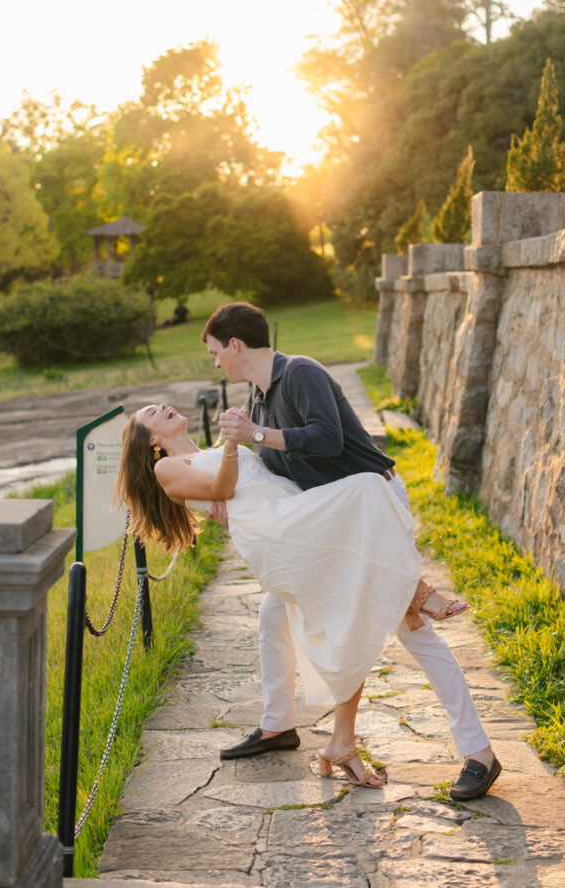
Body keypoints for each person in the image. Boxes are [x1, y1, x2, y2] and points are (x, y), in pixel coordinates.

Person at [201, 300, 501, 802]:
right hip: (340, 525)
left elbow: (327, 438)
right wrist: (224, 496)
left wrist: (255, 435)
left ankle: (480, 755)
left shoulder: (299, 374)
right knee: (275, 611)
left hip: (374, 506)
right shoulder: (257, 400)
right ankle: (278, 725)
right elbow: (278, 477)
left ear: (235, 344)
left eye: (215, 352)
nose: (215, 364)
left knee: (414, 635)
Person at [115, 401, 456, 788]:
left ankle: (322, 737)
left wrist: (249, 431)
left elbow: (253, 478)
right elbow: (223, 488)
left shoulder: (207, 454)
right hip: (277, 532)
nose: (162, 406)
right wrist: (232, 444)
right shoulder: (166, 467)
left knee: (327, 619)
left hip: (292, 512)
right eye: (151, 413)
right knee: (366, 488)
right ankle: (412, 591)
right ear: (153, 441)